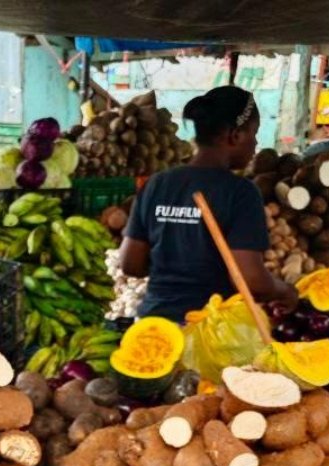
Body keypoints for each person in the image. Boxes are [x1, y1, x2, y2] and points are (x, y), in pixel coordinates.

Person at [118, 86, 299, 324]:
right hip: (209, 333)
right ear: (235, 135)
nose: (256, 144)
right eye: (254, 133)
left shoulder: (157, 183)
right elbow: (250, 281)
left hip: (153, 327)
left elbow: (130, 264)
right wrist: (285, 291)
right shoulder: (241, 192)